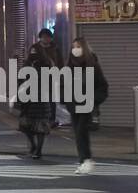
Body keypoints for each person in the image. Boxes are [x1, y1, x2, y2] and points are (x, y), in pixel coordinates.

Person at [18, 28, 61, 160]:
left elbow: (60, 63)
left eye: (47, 37)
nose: (46, 39)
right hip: (32, 93)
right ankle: (34, 147)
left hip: (45, 89)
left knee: (40, 123)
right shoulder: (35, 49)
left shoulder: (55, 49)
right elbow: (27, 64)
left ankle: (38, 149)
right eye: (43, 37)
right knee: (27, 124)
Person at [68, 35, 108, 175]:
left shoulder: (93, 65)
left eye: (78, 47)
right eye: (73, 47)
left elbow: (102, 86)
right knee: (79, 134)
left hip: (87, 105)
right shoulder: (70, 65)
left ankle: (86, 160)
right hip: (74, 105)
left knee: (81, 133)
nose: (75, 50)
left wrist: (93, 100)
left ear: (84, 48)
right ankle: (84, 160)